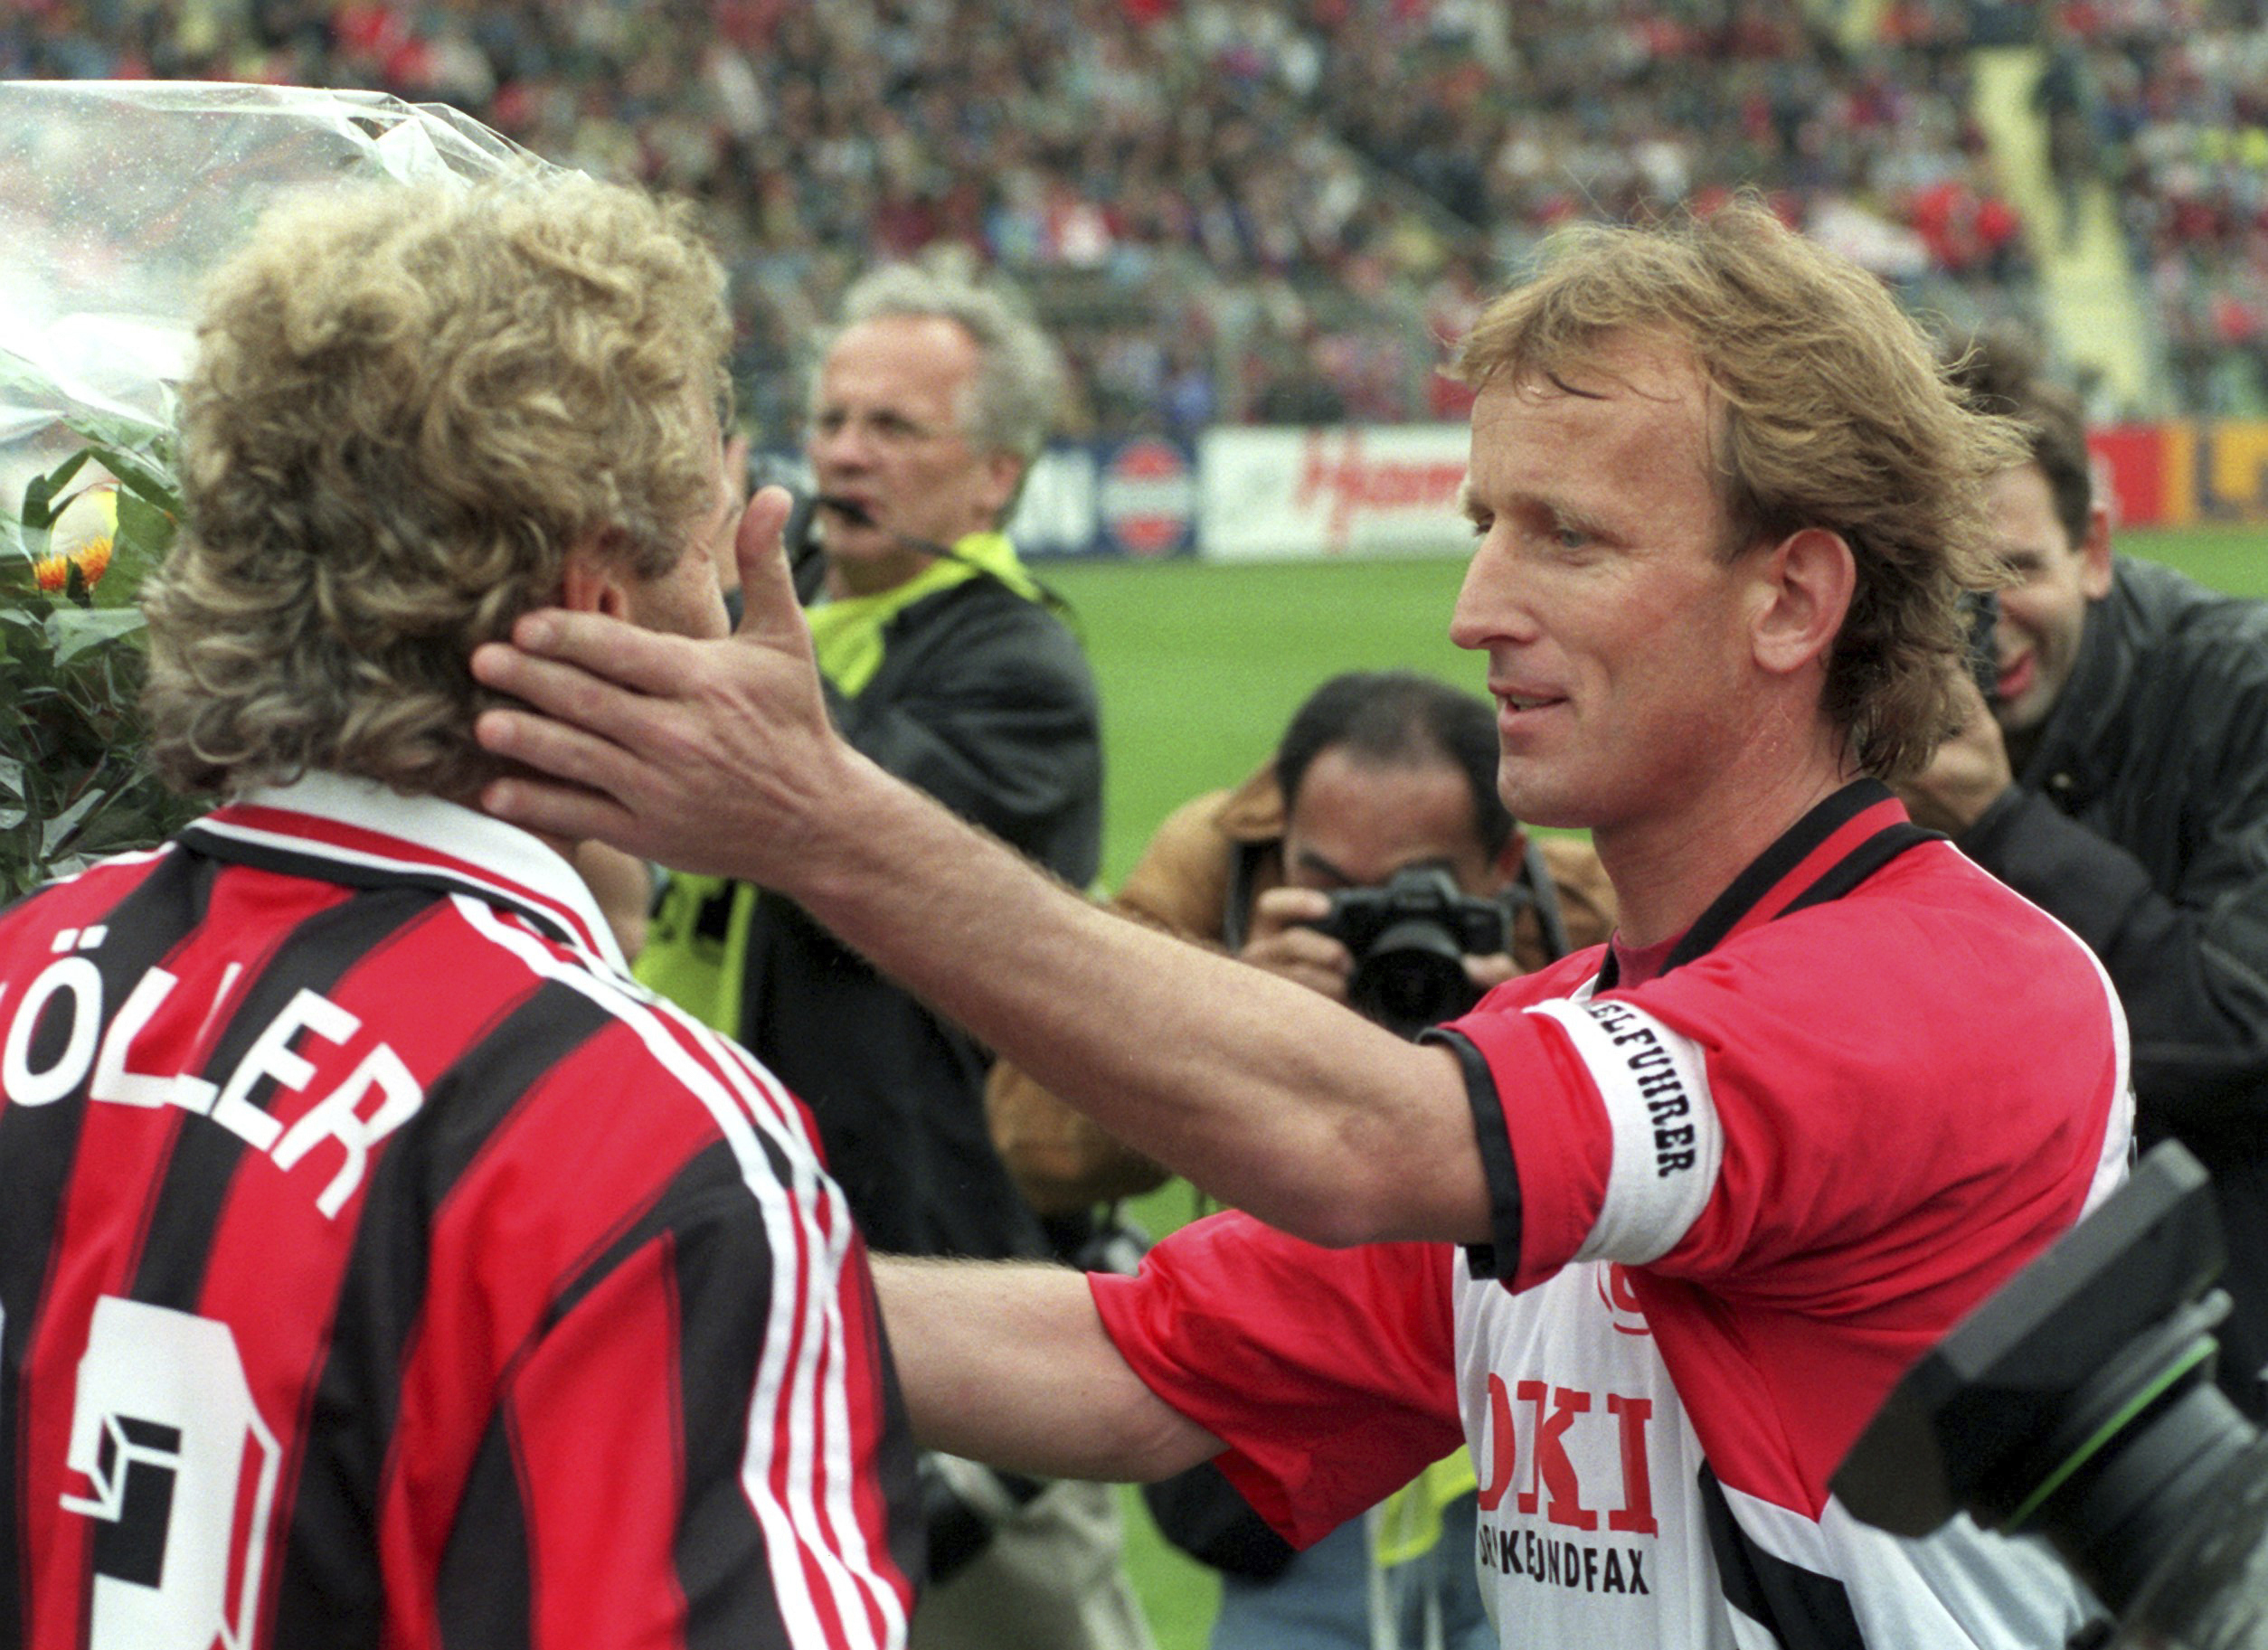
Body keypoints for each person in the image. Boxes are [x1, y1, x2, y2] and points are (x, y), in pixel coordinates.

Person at [468, 201, 2132, 1648]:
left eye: (1567, 535)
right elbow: (1127, 1368)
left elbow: (1355, 1135)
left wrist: (817, 821)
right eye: (1487, 525)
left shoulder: (1952, 992)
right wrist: (577, 1278)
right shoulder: (1558, 1042)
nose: (1477, 610)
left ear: (1792, 598)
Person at [0, 174, 918, 1647]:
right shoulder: (636, 1136)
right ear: (600, 607)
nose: (738, 596)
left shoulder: (22, 966)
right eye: (705, 536)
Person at [628, 264, 1137, 1650]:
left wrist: (720, 606)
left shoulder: (1018, 662)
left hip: (939, 1275)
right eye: (835, 418)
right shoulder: (767, 592)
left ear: (996, 477)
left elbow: (845, 839)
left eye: (895, 429)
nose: (846, 449)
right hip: (730, 1212)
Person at [986, 668, 1614, 1650]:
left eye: (1415, 890)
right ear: (1277, 852)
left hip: (1528, 1440)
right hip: (1296, 1429)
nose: (1371, 926)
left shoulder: (1582, 906)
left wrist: (1533, 1041)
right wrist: (1231, 1019)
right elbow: (1030, 1138)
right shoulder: (1216, 872)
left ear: (1504, 867)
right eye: (1327, 888)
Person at [1898, 331, 2268, 1419]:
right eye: (1941, 585)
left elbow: (2240, 1028)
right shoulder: (1863, 702)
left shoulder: (2239, 691)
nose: (1981, 624)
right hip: (1977, 1317)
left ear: (2094, 548)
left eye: (2016, 570)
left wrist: (1995, 820)